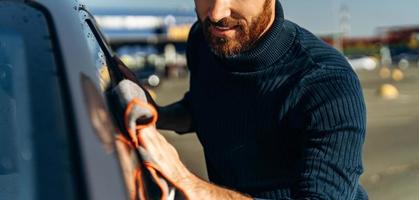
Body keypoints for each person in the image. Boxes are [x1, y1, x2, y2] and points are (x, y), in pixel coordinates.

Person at [135, 0, 369, 199]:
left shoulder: (327, 82)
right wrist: (155, 114)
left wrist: (192, 186)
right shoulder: (205, 40)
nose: (217, 14)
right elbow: (205, 105)